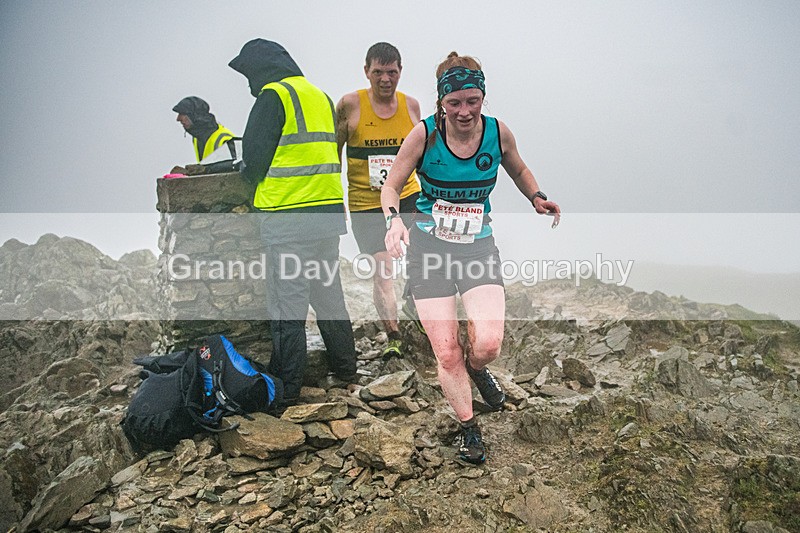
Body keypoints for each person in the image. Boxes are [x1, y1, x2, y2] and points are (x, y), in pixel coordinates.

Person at [381, 52, 561, 465]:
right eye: (454, 103)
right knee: (446, 352)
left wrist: (536, 197)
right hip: (430, 249)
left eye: (472, 100)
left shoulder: (498, 133)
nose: (464, 111)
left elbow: (517, 169)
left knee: (489, 344)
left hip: (477, 247)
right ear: (441, 103)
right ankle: (468, 429)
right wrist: (394, 222)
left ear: (482, 97)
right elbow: (391, 187)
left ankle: (478, 370)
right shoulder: (424, 135)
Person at [229, 39, 358, 409]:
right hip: (327, 213)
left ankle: (286, 389)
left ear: (260, 69)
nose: (249, 83)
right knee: (328, 295)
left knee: (288, 307)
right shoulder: (318, 95)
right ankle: (346, 371)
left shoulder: (273, 96)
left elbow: (253, 160)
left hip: (288, 217)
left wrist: (248, 176)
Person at [336, 42, 422, 358]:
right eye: (378, 72)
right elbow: (335, 155)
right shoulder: (349, 105)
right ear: (366, 72)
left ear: (400, 71)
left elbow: (423, 155)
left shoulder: (411, 106)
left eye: (391, 72)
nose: (385, 79)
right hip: (366, 204)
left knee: (423, 257)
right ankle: (394, 336)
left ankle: (416, 306)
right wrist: (335, 200)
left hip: (408, 196)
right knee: (383, 270)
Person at [173, 96, 237, 162]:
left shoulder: (225, 139)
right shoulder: (197, 138)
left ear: (194, 116)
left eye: (182, 114)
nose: (178, 119)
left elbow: (235, 167)